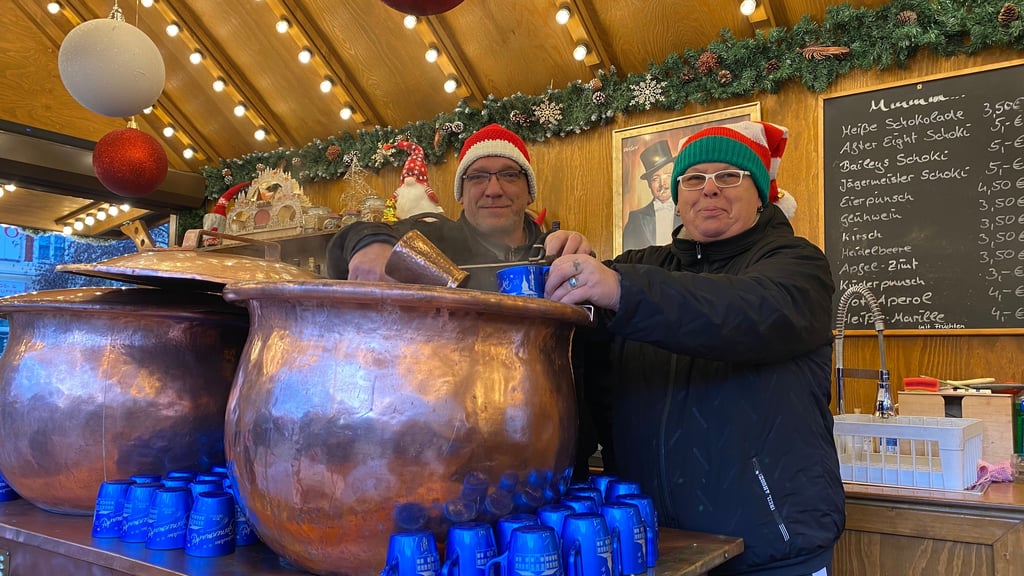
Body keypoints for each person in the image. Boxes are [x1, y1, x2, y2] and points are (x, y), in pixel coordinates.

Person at [543, 121, 843, 575]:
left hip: (769, 550)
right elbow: (579, 368)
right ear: (678, 195)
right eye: (694, 178)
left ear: (760, 193)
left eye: (729, 176)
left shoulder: (798, 266)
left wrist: (622, 291)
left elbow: (737, 313)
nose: (710, 190)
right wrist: (571, 264)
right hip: (658, 546)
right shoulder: (639, 266)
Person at [325, 122, 601, 478]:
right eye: (477, 177)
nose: (494, 189)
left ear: (529, 191)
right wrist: (371, 245)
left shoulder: (558, 252)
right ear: (460, 193)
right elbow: (354, 234)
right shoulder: (432, 240)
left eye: (509, 175)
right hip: (450, 457)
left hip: (551, 451)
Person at [621, 139, 681, 251]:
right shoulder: (636, 218)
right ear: (649, 184)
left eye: (667, 175)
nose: (662, 184)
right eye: (655, 178)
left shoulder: (688, 212)